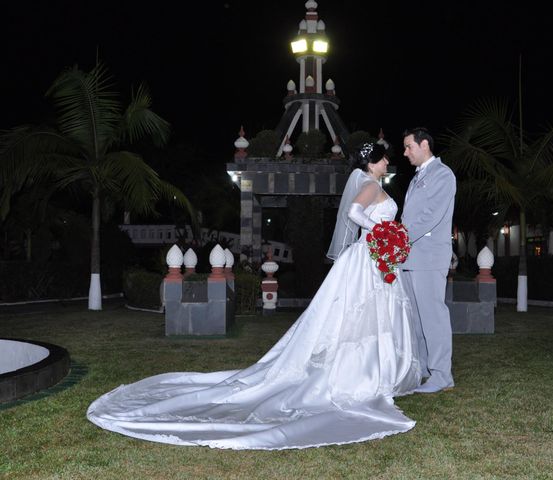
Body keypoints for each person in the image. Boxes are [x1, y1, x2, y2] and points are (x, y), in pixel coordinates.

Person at [87, 142, 421, 450]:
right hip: (368, 257)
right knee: (357, 315)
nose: (389, 161)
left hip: (375, 259)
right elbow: (353, 213)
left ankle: (373, 373)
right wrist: (380, 232)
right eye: (385, 157)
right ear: (374, 161)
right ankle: (362, 377)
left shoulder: (372, 183)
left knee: (364, 316)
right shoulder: (370, 185)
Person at [401, 127, 456, 394]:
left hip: (430, 256)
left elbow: (431, 216)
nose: (405, 152)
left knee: (433, 316)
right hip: (410, 258)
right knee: (416, 318)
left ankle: (442, 374)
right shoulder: (415, 178)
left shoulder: (443, 175)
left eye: (409, 146)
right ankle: (424, 368)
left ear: (424, 144)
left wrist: (399, 238)